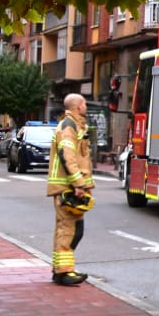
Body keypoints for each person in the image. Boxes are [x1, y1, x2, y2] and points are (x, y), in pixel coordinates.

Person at [46, 93, 94, 286]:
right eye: (83, 103)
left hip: (67, 186)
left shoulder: (73, 124)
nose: (85, 106)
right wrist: (78, 184)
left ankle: (60, 270)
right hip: (68, 188)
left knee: (67, 230)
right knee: (70, 230)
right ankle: (64, 272)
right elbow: (68, 156)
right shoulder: (69, 126)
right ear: (77, 107)